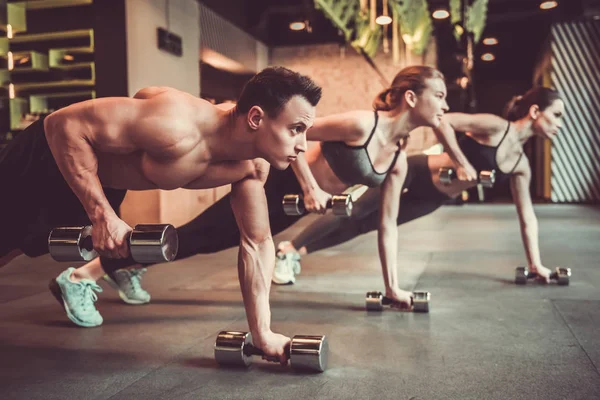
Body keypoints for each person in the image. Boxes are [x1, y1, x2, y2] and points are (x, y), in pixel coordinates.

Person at [61, 65, 475, 321]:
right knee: (198, 236)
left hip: (293, 208)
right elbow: (293, 132)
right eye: (438, 95)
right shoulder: (359, 125)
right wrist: (310, 184)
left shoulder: (399, 155)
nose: (444, 104)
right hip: (273, 180)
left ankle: (119, 267)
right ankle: (83, 274)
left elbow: (387, 227)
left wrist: (392, 287)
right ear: (410, 97)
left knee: (202, 239)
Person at [0, 66, 322, 364]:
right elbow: (62, 125)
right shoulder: (175, 124)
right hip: (44, 157)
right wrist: (103, 217)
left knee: (17, 248)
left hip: (93, 177)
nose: (303, 145)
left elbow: (256, 241)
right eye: (296, 129)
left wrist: (262, 332)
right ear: (255, 118)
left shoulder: (253, 166)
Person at [274, 87, 565, 306]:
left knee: (366, 226)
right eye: (557, 115)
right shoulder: (496, 127)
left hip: (434, 198)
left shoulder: (520, 165)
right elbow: (442, 119)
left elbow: (527, 217)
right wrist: (461, 161)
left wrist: (535, 263)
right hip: (418, 171)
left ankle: (298, 253)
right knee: (356, 210)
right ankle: (286, 250)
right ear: (535, 111)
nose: (560, 124)